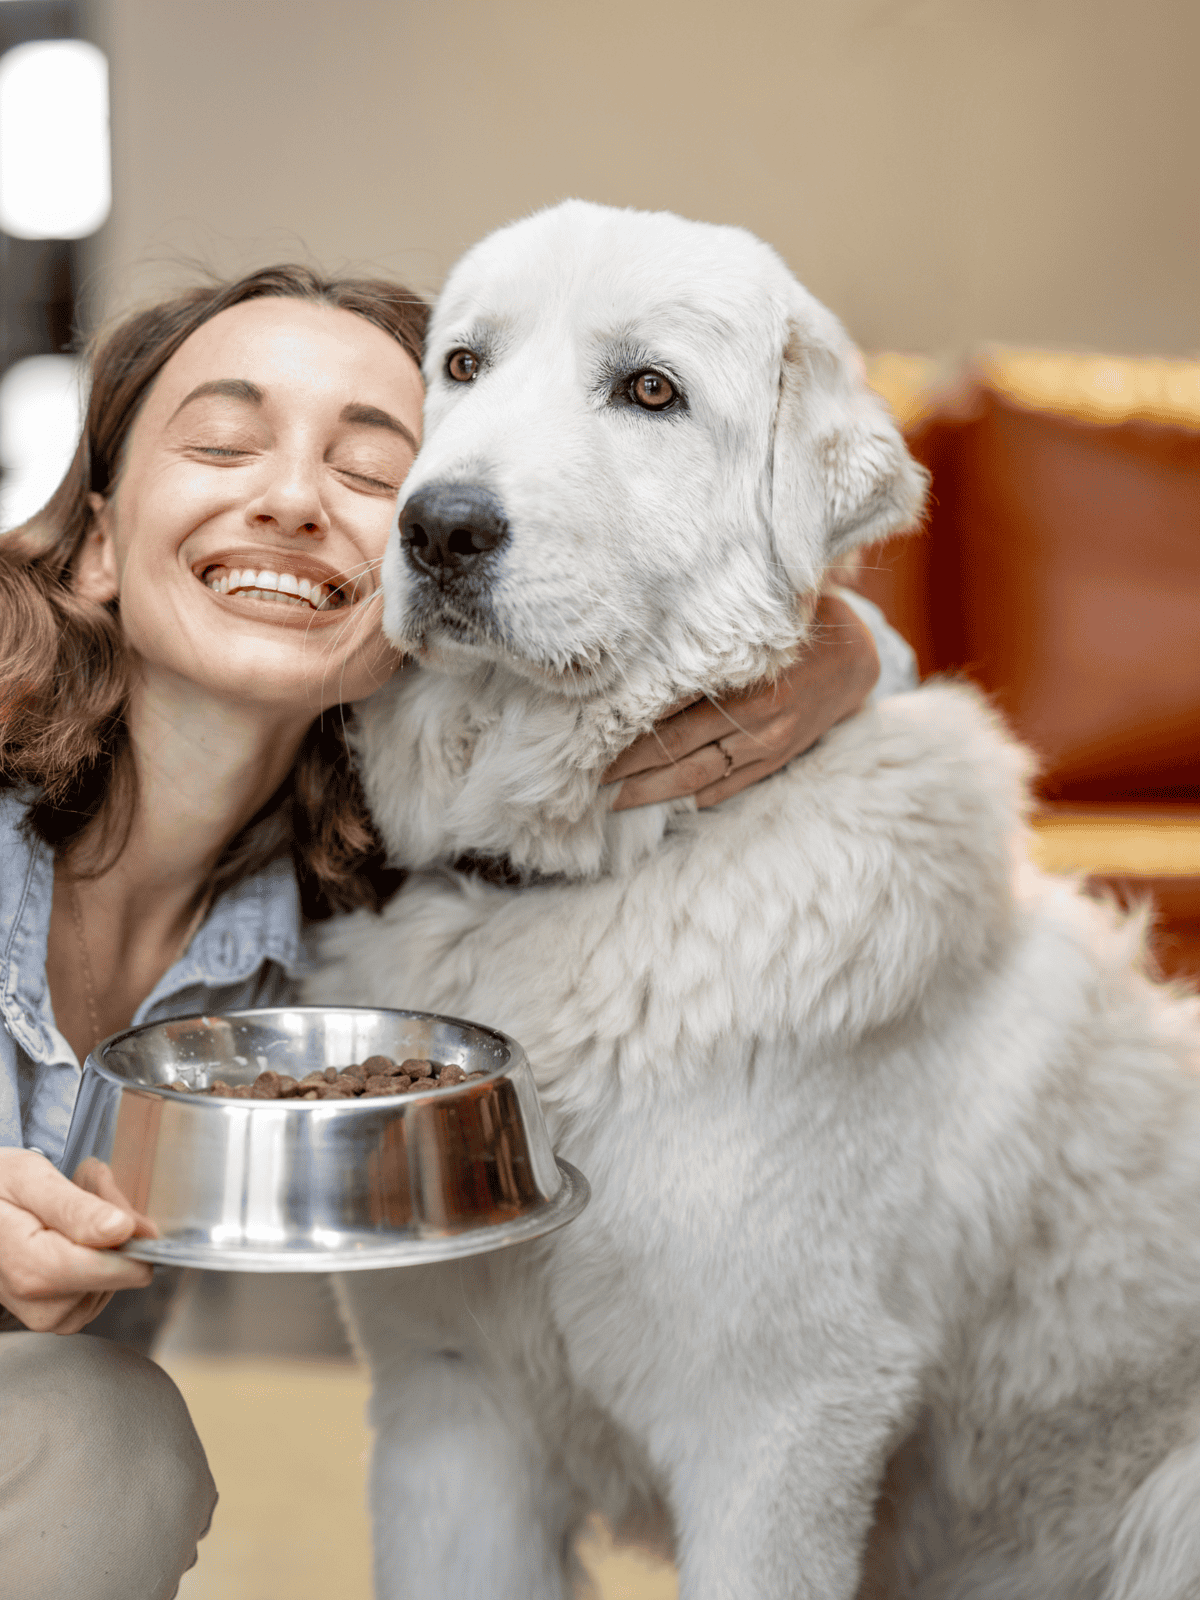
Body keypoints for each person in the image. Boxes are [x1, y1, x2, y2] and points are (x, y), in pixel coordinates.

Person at [0, 264, 913, 1598]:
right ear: (91, 541)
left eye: (374, 473)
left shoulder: (369, 927)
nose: (295, 499)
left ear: (438, 580)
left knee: (99, 1441)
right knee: (103, 1433)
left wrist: (847, 648)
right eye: (220, 443)